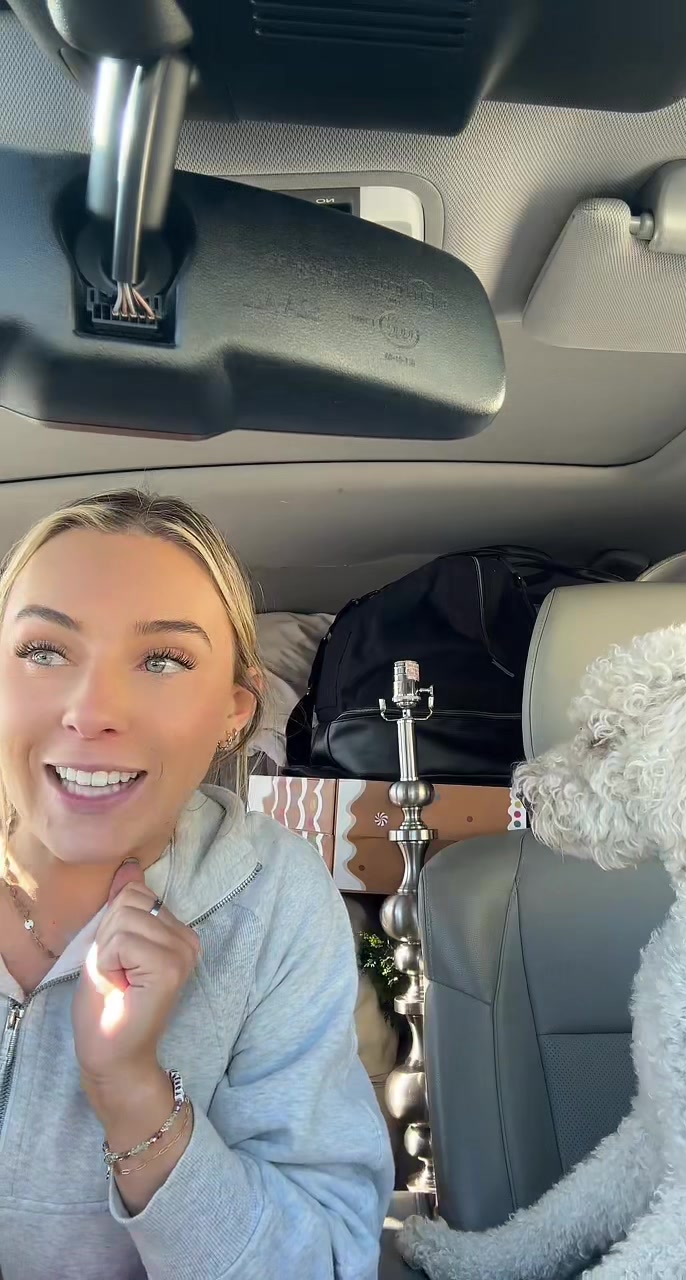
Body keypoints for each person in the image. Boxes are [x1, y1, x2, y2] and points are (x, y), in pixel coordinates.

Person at [0, 489, 394, 1280]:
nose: (91, 711)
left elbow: (323, 1260)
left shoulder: (274, 901)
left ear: (233, 712)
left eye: (163, 660)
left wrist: (134, 1094)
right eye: (45, 651)